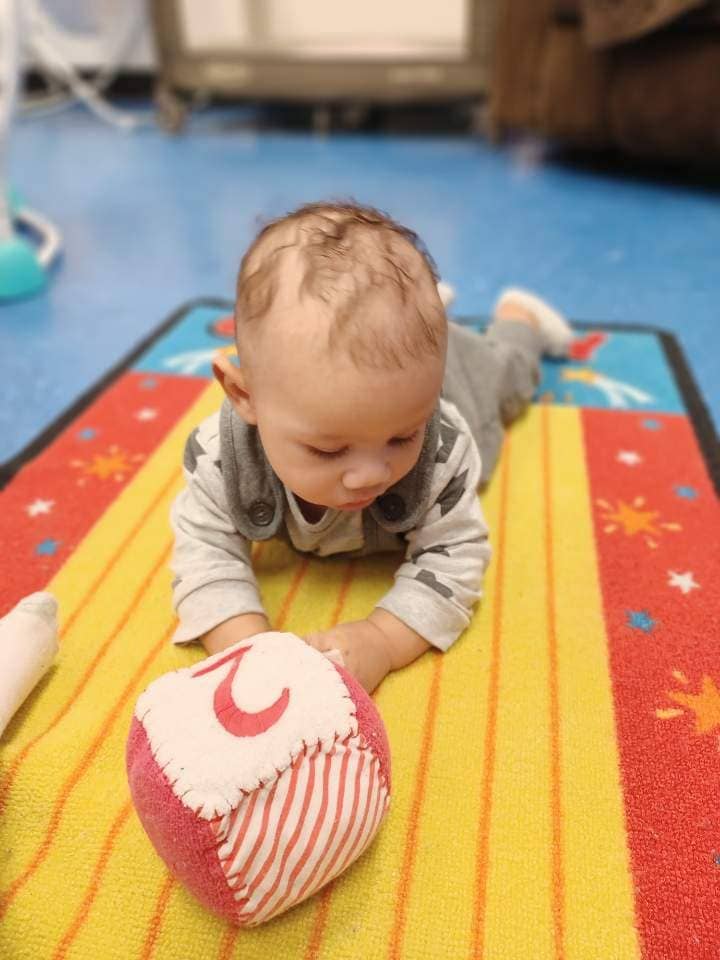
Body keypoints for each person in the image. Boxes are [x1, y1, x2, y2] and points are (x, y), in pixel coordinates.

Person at [169, 201, 573, 692]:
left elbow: (456, 556)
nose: (370, 475)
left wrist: (382, 639)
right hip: (404, 381)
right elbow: (204, 553)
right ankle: (417, 320)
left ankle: (516, 318)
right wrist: (248, 650)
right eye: (328, 449)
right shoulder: (221, 458)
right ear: (243, 396)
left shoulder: (442, 448)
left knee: (510, 377)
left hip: (460, 383)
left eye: (402, 438)